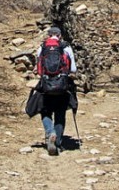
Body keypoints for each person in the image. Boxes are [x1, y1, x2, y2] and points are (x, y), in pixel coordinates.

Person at [35, 26, 77, 156]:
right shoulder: (65, 47)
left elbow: (38, 69)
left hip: (46, 86)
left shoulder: (42, 47)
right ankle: (57, 142)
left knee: (45, 111)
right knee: (60, 113)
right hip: (62, 87)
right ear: (59, 35)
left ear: (49, 35)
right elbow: (73, 69)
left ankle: (50, 132)